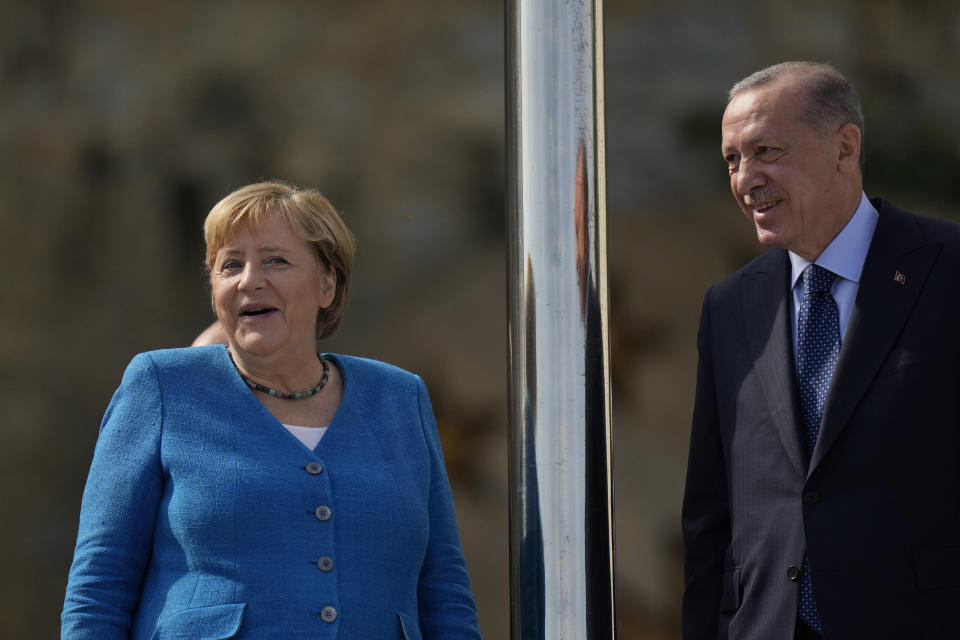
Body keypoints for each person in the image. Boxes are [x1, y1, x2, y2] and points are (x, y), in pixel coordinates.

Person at [62, 181, 482, 639]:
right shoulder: (163, 386)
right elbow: (99, 585)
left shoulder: (401, 398)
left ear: (327, 282)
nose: (249, 280)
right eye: (230, 265)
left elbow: (444, 591)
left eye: (276, 260)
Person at [681, 61, 960, 639]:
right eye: (732, 160)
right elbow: (712, 517)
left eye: (766, 151)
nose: (745, 179)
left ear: (845, 148)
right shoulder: (730, 307)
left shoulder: (947, 269)